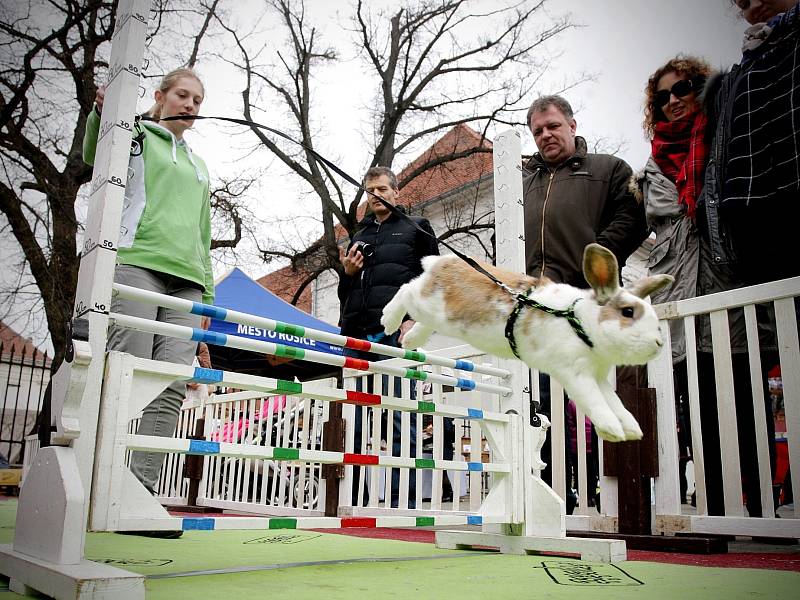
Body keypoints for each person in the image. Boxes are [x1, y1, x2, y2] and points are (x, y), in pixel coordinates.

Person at [83, 67, 213, 536]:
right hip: (137, 265)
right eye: (183, 95)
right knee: (127, 378)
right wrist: (104, 114)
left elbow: (204, 236)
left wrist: (207, 305)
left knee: (170, 388)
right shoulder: (135, 133)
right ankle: (102, 491)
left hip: (187, 283)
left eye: (197, 99)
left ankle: (138, 496)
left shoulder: (199, 166)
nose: (191, 105)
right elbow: (94, 153)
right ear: (160, 97)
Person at [693, 0, 798, 518]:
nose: (676, 101)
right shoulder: (741, 73)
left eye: (684, 90)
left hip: (747, 256)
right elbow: (721, 174)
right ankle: (742, 504)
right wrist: (730, 244)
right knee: (757, 387)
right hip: (752, 247)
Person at [522, 94, 648, 501]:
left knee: (591, 397)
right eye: (538, 131)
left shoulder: (608, 169)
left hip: (588, 304)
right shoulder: (523, 182)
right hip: (538, 310)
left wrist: (595, 259)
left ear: (573, 126)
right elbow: (505, 234)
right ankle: (556, 489)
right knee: (543, 401)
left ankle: (604, 490)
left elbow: (633, 218)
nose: (546, 135)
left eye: (553, 126)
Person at [634, 56, 714, 503]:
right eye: (662, 96)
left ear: (700, 87)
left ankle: (747, 501)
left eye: (682, 89)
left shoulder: (722, 137)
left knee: (739, 392)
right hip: (676, 297)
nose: (673, 101)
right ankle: (704, 498)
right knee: (689, 402)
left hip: (722, 284)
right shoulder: (654, 163)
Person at [338, 166, 439, 509]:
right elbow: (345, 291)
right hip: (356, 334)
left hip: (394, 334)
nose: (376, 196)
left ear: (397, 191)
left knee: (400, 415)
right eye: (370, 191)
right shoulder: (359, 233)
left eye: (382, 189)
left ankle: (401, 498)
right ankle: (354, 495)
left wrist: (414, 319)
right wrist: (348, 273)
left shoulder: (417, 228)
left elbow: (432, 279)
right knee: (354, 417)